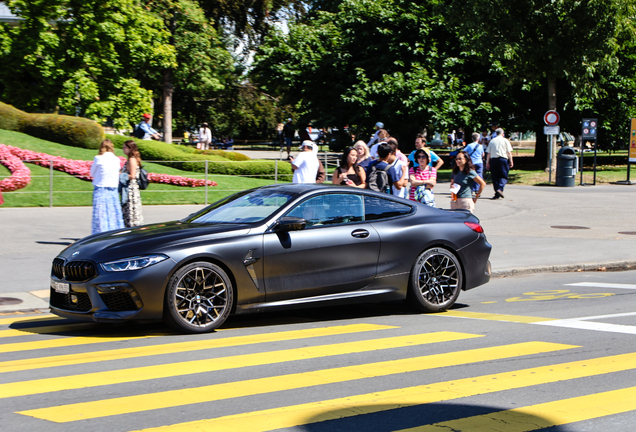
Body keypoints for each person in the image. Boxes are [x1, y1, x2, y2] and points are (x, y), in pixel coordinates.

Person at [90, 139, 124, 234]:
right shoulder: (116, 159)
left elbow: (92, 172)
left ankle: (100, 233)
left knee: (100, 214)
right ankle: (115, 232)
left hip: (101, 187)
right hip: (113, 188)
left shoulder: (98, 158)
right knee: (113, 212)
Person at [120, 140, 144, 227]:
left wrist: (121, 176)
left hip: (130, 188)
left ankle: (132, 226)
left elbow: (132, 176)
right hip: (129, 188)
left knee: (130, 210)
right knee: (128, 210)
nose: (123, 149)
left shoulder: (132, 160)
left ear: (130, 148)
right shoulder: (131, 159)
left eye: (124, 147)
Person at [486, 127, 514, 199]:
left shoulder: (492, 141)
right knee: (503, 175)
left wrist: (487, 162)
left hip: (493, 160)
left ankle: (496, 193)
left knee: (495, 177)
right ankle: (500, 189)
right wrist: (511, 161)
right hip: (503, 159)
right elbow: (509, 152)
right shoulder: (505, 141)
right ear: (503, 134)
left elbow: (488, 153)